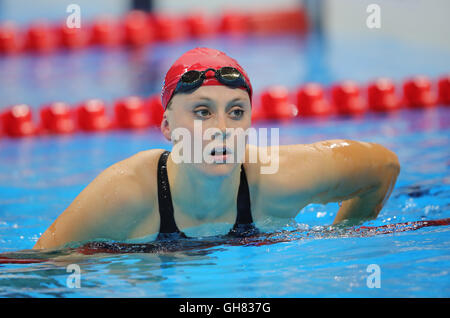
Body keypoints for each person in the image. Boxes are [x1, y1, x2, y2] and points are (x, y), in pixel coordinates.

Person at [33, 47, 400, 250]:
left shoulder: (277, 177)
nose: (222, 130)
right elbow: (35, 269)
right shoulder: (127, 192)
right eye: (202, 112)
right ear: (166, 127)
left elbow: (382, 167)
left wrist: (345, 238)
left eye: (236, 112)